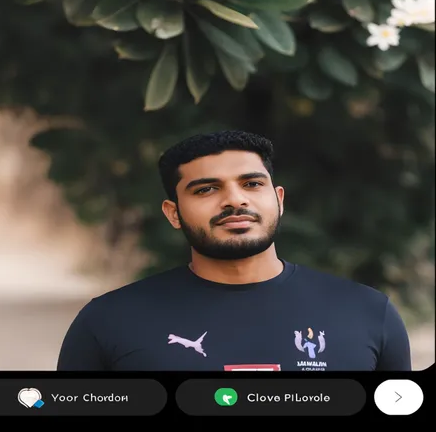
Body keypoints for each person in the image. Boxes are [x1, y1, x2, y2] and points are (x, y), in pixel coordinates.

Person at [57, 130, 412, 371]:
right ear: (173, 213)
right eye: (206, 189)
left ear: (278, 199)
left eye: (252, 184)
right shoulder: (107, 321)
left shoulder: (368, 312)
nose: (235, 199)